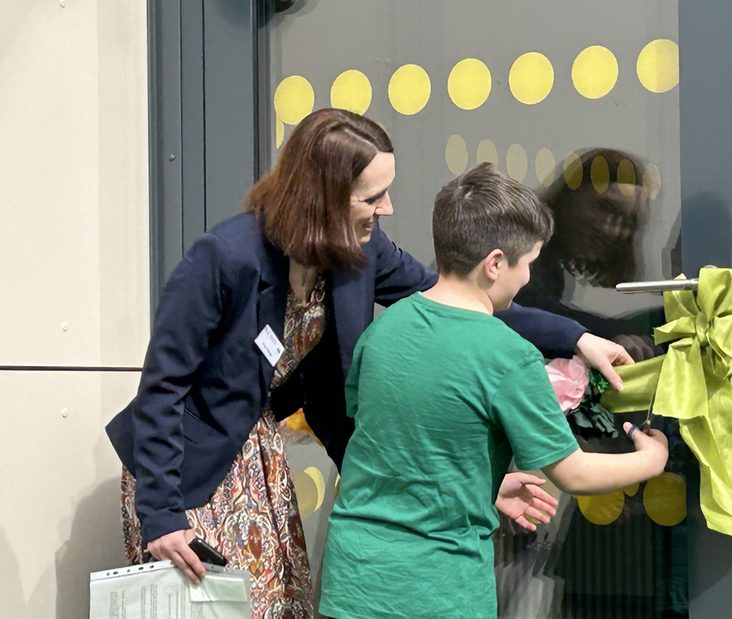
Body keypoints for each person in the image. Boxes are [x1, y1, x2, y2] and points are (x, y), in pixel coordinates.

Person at [105, 109, 630, 617]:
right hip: (186, 469)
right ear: (323, 197)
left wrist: (576, 337)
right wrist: (161, 515)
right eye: (373, 196)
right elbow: (163, 387)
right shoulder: (224, 256)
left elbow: (456, 299)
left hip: (260, 457)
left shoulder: (364, 248)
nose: (388, 208)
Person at [319, 163, 669, 619]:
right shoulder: (509, 355)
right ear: (496, 264)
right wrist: (652, 459)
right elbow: (574, 474)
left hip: (353, 581)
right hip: (438, 591)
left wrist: (483, 486)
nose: (527, 280)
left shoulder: (381, 333)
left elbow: (398, 451)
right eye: (528, 265)